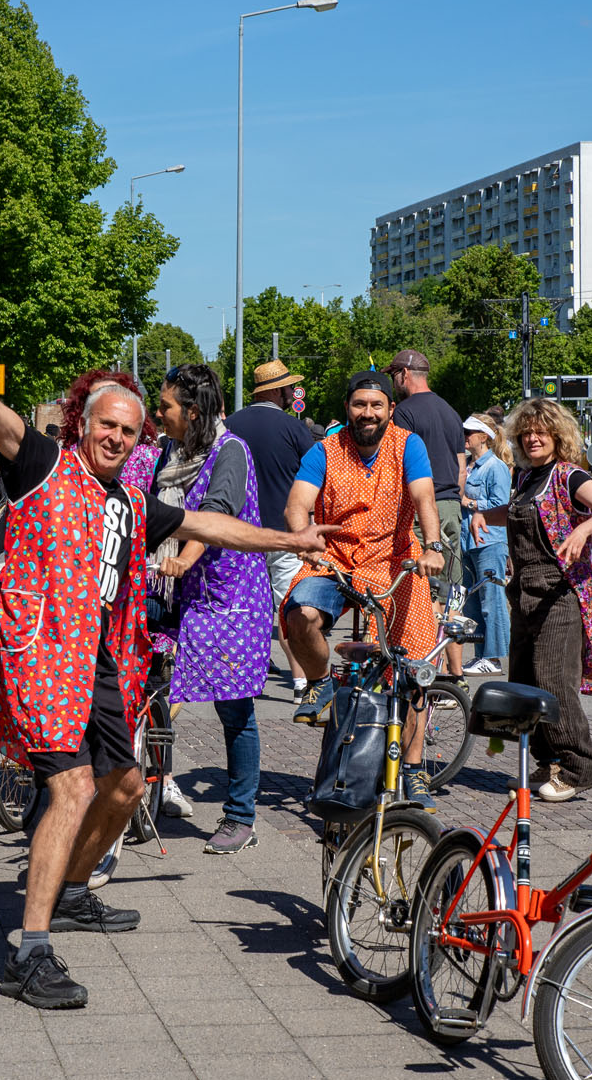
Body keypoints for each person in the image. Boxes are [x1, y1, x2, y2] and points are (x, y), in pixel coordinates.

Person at [0, 293, 335, 1011]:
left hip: (97, 663)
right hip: (40, 655)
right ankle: (28, 954)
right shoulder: (41, 465)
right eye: (107, 426)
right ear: (82, 424)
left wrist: (293, 540)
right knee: (73, 790)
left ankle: (66, 894)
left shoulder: (128, 499)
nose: (119, 439)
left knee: (127, 786)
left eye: (130, 430)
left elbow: (211, 525)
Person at [282, 369, 445, 810]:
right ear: (347, 408)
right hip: (333, 557)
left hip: (396, 560)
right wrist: (304, 538)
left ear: (390, 409)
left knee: (411, 667)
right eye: (359, 405)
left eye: (376, 405)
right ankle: (319, 681)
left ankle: (413, 771)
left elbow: (424, 498)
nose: (367, 413)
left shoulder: (408, 445)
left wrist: (432, 546)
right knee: (299, 615)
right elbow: (297, 504)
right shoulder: (325, 450)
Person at [470, 398, 592, 803]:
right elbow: (518, 513)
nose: (533, 438)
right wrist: (486, 515)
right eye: (526, 432)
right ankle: (545, 762)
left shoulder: (570, 476)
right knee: (524, 679)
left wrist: (581, 532)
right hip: (523, 591)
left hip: (559, 593)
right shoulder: (525, 478)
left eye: (541, 431)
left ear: (558, 436)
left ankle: (577, 767)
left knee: (553, 680)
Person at [153, 364, 272, 854]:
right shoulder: (172, 451)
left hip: (231, 599)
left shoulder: (231, 451)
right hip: (182, 592)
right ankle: (152, 782)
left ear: (193, 411)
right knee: (151, 685)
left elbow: (217, 515)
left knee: (233, 707)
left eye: (166, 407)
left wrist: (183, 559)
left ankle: (240, 816)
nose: (159, 415)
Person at [224, 359, 318, 699]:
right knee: (290, 608)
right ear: (277, 391)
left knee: (245, 607)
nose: (293, 392)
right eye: (290, 387)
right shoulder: (294, 428)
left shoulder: (231, 424)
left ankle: (241, 675)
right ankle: (299, 682)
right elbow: (315, 475)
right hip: (285, 531)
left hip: (239, 533)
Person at [388, 349, 468, 681]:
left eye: (394, 375)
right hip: (451, 506)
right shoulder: (450, 412)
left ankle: (428, 674)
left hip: (424, 509)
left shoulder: (404, 412)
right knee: (452, 590)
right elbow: (462, 468)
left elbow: (397, 465)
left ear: (405, 374)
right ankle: (456, 673)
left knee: (425, 591)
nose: (393, 381)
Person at [459, 413, 512, 674]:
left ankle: (493, 658)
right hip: (469, 542)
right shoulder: (467, 466)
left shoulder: (496, 467)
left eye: (469, 432)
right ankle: (481, 655)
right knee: (473, 603)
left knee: (492, 601)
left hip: (490, 541)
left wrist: (468, 502)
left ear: (484, 437)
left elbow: (502, 505)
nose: (465, 436)